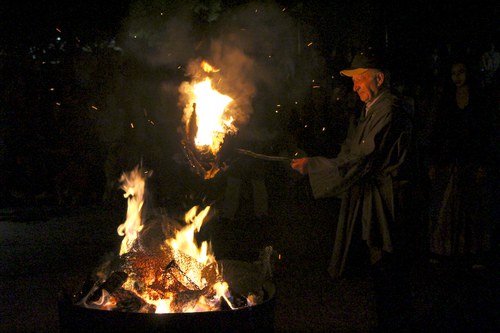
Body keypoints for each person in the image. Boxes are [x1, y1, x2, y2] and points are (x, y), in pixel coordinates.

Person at [291, 49, 415, 332]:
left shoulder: (390, 110)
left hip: (389, 201)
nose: (354, 86)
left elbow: (364, 158)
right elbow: (351, 150)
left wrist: (315, 166)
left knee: (389, 269)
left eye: (360, 79)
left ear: (379, 79)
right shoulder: (370, 109)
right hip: (375, 197)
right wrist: (317, 162)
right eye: (353, 80)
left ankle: (396, 324)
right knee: (380, 269)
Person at [427, 56, 495, 268]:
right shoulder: (447, 99)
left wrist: (484, 162)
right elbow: (438, 131)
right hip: (451, 160)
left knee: (473, 208)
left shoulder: (479, 99)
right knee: (448, 206)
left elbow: (486, 131)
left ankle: (475, 252)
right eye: (454, 73)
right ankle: (445, 250)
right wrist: (434, 162)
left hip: (472, 160)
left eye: (461, 72)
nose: (457, 77)